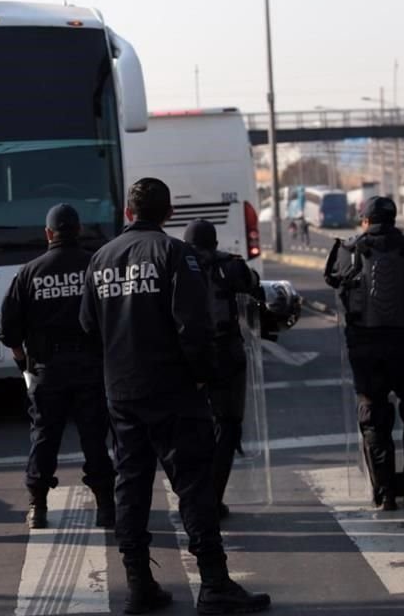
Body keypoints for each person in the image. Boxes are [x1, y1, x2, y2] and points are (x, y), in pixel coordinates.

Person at [80, 178, 270, 615]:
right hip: (173, 391)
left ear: (128, 212)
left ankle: (139, 585)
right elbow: (193, 327)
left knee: (131, 488)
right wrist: (204, 378)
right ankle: (215, 585)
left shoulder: (100, 259)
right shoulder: (175, 254)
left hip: (122, 393)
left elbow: (89, 327)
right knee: (195, 488)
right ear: (168, 214)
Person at [0, 203, 115, 530]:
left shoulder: (29, 272)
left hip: (47, 369)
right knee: (95, 438)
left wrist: (25, 365)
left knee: (45, 437)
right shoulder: (96, 265)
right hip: (91, 366)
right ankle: (106, 507)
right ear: (78, 230)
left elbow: (9, 331)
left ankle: (38, 507)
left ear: (48, 233)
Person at [323, 197, 404, 511]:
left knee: (374, 416)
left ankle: (384, 491)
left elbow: (334, 279)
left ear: (365, 220)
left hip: (365, 348)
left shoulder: (347, 249)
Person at [184, 219, 260, 520]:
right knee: (227, 427)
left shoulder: (173, 266)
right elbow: (253, 285)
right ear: (215, 244)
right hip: (225, 356)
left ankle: (192, 497)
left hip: (185, 358)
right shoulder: (230, 266)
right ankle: (213, 498)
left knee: (188, 429)